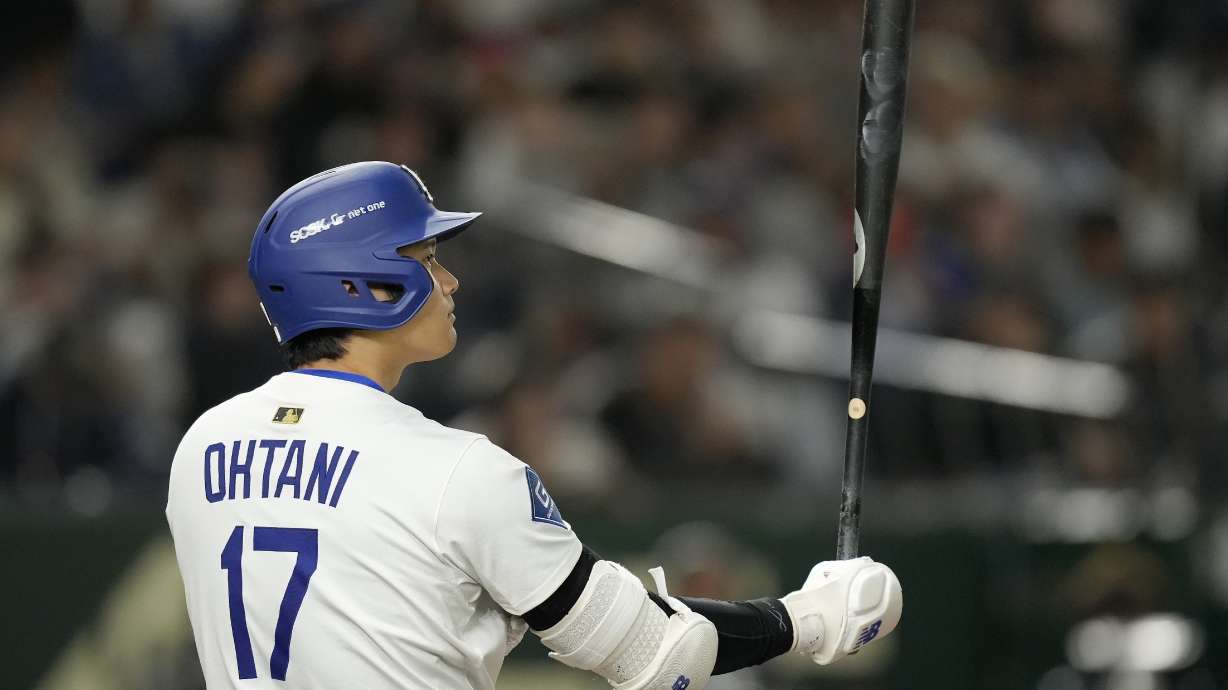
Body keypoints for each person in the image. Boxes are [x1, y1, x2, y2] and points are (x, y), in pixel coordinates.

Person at [165, 161, 903, 690]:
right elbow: (656, 654)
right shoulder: (456, 470)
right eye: (425, 258)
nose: (449, 281)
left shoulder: (201, 448)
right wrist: (807, 617)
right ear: (365, 283)